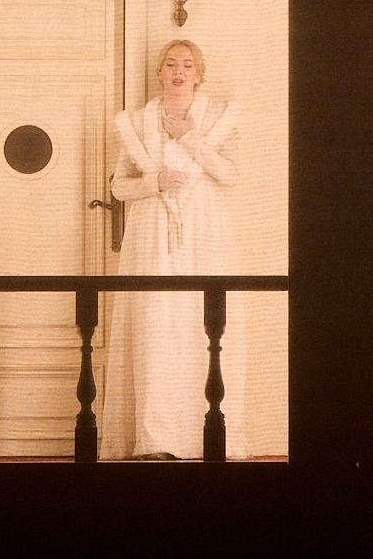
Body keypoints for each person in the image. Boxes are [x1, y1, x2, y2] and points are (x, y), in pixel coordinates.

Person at [100, 40, 245, 459]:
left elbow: (230, 175)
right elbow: (119, 187)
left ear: (199, 74)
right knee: (155, 325)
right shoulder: (136, 123)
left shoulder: (220, 117)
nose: (178, 71)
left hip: (204, 233)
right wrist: (155, 182)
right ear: (160, 73)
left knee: (202, 326)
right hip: (151, 234)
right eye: (170, 64)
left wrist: (190, 138)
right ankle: (156, 440)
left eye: (187, 65)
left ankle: (207, 436)